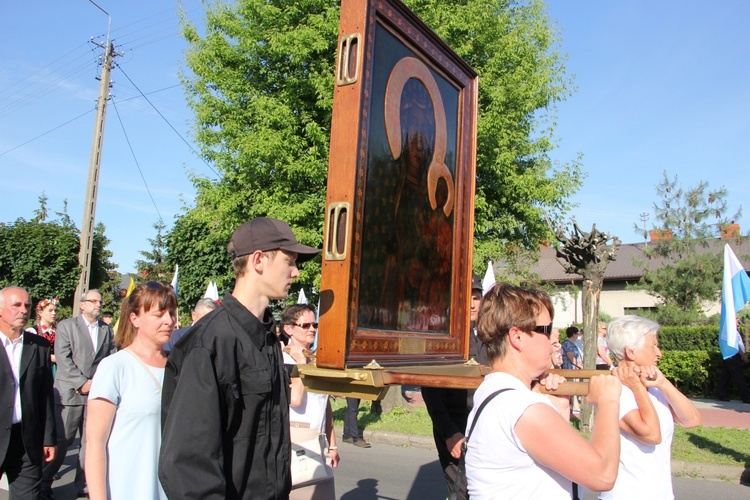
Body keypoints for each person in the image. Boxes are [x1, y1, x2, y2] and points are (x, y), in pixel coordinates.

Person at [159, 217, 320, 499]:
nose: (296, 273)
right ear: (259, 260)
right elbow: (187, 464)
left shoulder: (268, 339)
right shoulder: (209, 342)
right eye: (290, 261)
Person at [465, 283, 622, 499]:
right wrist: (608, 401)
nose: (552, 343)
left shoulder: (493, 392)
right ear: (517, 337)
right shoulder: (522, 407)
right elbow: (603, 475)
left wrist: (556, 408)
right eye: (546, 331)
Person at [85, 282, 176, 500]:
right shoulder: (115, 367)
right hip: (128, 489)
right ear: (134, 319)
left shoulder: (179, 367)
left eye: (172, 313)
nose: (169, 321)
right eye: (159, 314)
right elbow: (95, 442)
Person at [602, 315, 701, 499]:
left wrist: (663, 384)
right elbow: (652, 435)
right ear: (631, 352)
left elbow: (692, 420)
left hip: (660, 493)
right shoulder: (613, 388)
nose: (659, 353)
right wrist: (637, 388)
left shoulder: (652, 384)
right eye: (652, 346)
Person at [42, 289, 114, 499]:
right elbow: (63, 359)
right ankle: (45, 482)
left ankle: (84, 483)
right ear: (82, 304)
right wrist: (82, 382)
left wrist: (98, 383)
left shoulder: (106, 330)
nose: (98, 305)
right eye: (93, 301)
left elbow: (108, 358)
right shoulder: (67, 326)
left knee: (90, 442)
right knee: (62, 441)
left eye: (100, 302)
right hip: (70, 394)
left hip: (94, 394)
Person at [422, 273, 488, 498]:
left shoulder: (491, 337)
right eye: (465, 296)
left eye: (476, 297)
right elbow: (431, 391)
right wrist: (449, 433)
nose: (471, 303)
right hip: (454, 424)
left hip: (486, 425)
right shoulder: (443, 340)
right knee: (463, 492)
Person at [0, 287, 56, 498]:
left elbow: (45, 396)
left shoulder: (39, 346)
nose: (23, 310)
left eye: (27, 305)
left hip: (27, 441)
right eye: (16, 305)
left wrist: (49, 438)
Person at [281, 304, 340, 499]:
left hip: (319, 439)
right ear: (288, 329)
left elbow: (325, 403)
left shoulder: (316, 358)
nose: (312, 329)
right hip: (297, 440)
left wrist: (332, 445)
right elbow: (295, 400)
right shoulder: (283, 358)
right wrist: (299, 365)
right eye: (305, 325)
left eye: (314, 324)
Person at [715, 319, 750, 404]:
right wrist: (743, 355)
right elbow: (735, 345)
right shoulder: (730, 331)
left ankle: (720, 394)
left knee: (726, 375)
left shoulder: (733, 331)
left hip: (731, 356)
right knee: (739, 376)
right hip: (733, 355)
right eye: (735, 318)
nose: (738, 320)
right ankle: (746, 397)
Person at [28, 297, 59, 368]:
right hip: (40, 367)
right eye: (50, 311)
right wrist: (50, 357)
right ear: (40, 313)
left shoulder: (58, 330)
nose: (54, 313)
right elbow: (30, 354)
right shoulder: (33, 331)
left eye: (55, 311)